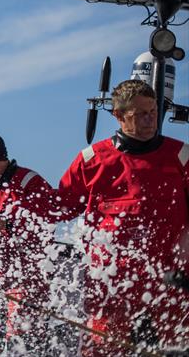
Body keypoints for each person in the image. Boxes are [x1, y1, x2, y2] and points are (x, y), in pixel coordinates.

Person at [54, 79, 189, 355]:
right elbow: (58, 208)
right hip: (111, 289)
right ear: (118, 116)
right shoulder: (91, 160)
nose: (151, 119)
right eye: (140, 114)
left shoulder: (181, 156)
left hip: (171, 287)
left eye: (153, 111)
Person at [0, 132, 55, 356]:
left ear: (0, 159)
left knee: (20, 336)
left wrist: (9, 224)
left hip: (30, 271)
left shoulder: (30, 181)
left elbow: (48, 219)